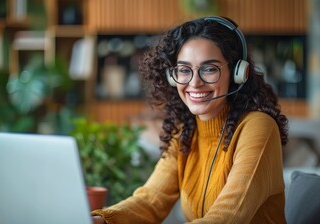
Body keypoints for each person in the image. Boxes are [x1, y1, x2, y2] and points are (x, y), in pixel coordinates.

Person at [92, 16, 289, 223]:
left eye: (209, 68)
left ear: (236, 73)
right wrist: (99, 220)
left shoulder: (258, 127)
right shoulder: (185, 131)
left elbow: (227, 217)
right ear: (172, 75)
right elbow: (150, 201)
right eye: (184, 70)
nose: (195, 83)